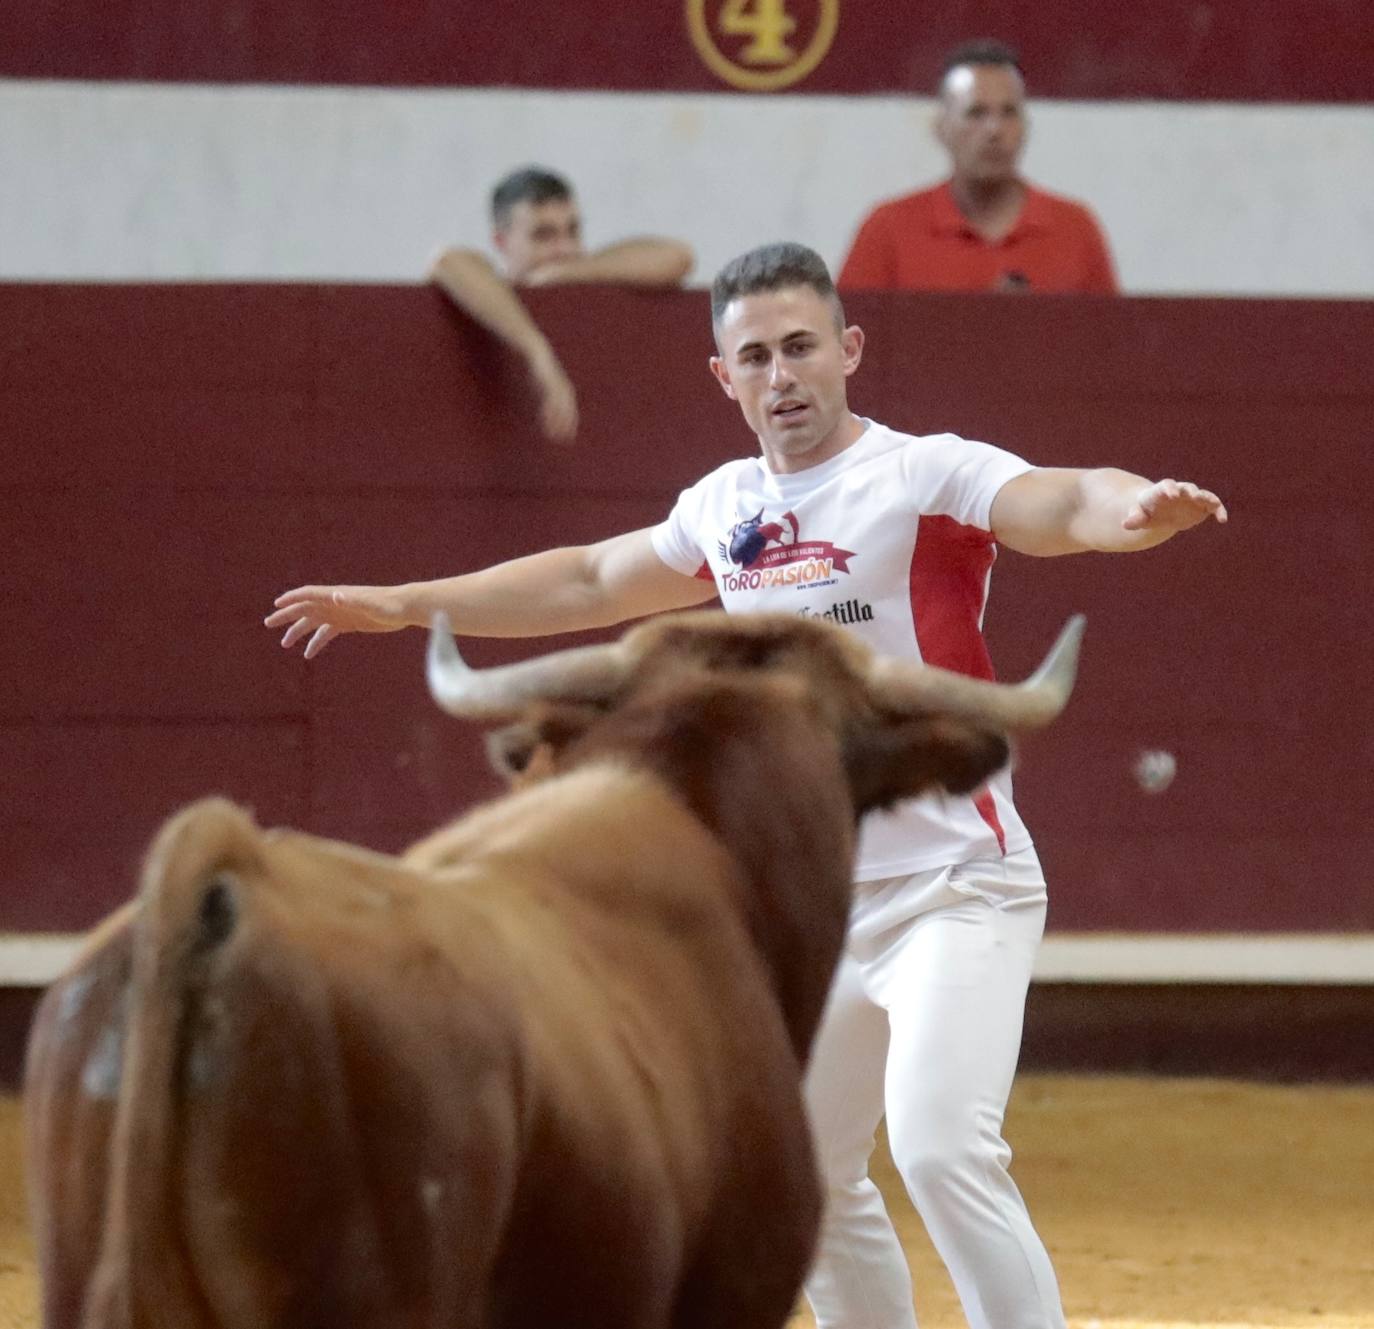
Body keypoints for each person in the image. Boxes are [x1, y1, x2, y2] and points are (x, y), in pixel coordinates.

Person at [267, 242, 1225, 1329]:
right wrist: (404, 602)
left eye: (803, 347)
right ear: (724, 377)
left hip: (958, 881)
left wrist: (1133, 507)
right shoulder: (723, 508)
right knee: (805, 1184)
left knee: (941, 1144)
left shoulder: (921, 474)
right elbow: (588, 578)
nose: (784, 376)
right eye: (757, 356)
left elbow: (1054, 501)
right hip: (814, 910)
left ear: (849, 351)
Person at [429, 166, 695, 442]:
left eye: (572, 231)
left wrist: (570, 272)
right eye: (543, 235)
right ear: (501, 241)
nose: (564, 248)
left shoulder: (585, 276)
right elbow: (447, 261)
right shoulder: (488, 289)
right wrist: (538, 352)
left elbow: (679, 257)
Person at [839, 40, 1118, 294]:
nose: (994, 130)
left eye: (1008, 113)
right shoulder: (888, 230)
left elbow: (1113, 343)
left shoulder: (1075, 229)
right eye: (976, 113)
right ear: (941, 129)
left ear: (1025, 128)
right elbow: (843, 345)